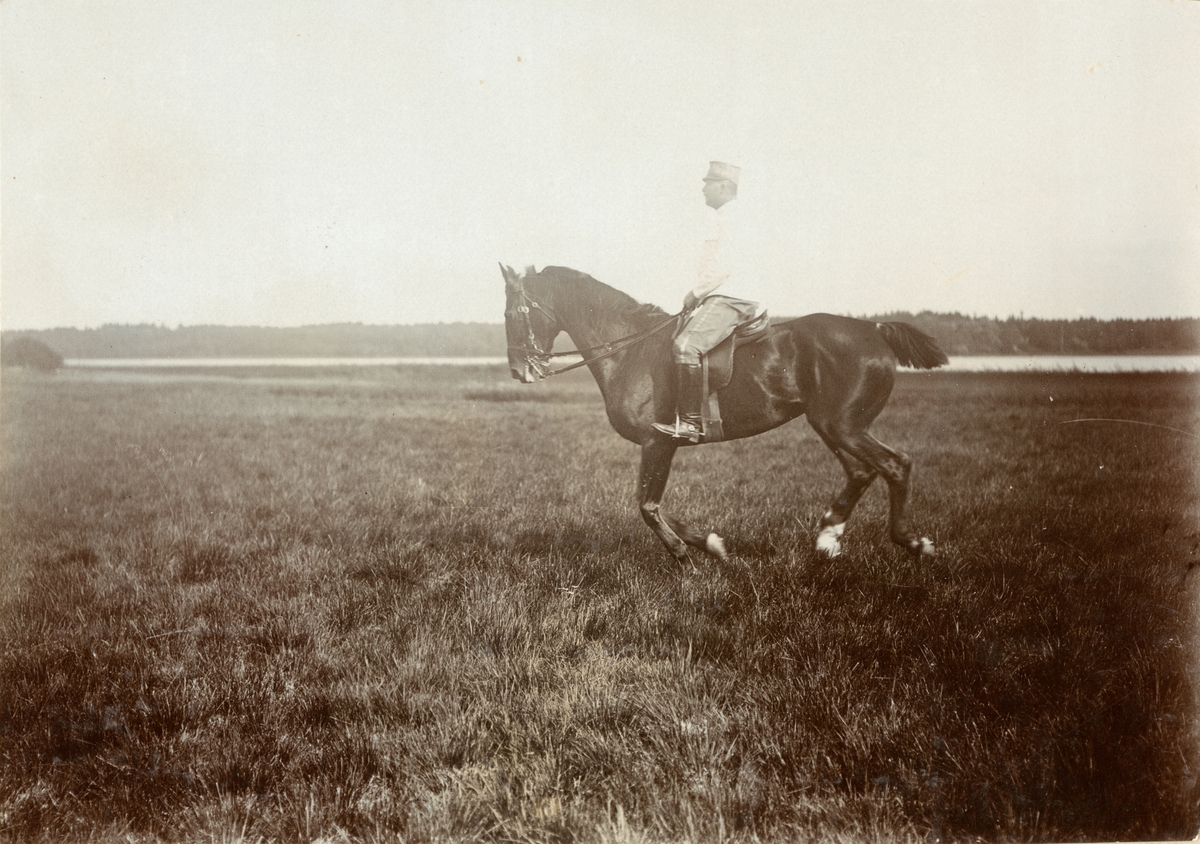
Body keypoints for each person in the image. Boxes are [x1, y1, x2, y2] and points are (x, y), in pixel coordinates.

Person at [653, 161, 765, 442]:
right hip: (723, 295)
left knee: (685, 346)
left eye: (709, 184)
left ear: (724, 187)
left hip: (731, 297)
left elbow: (723, 267)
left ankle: (691, 423)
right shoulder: (725, 217)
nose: (703, 189)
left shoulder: (734, 218)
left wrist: (696, 293)